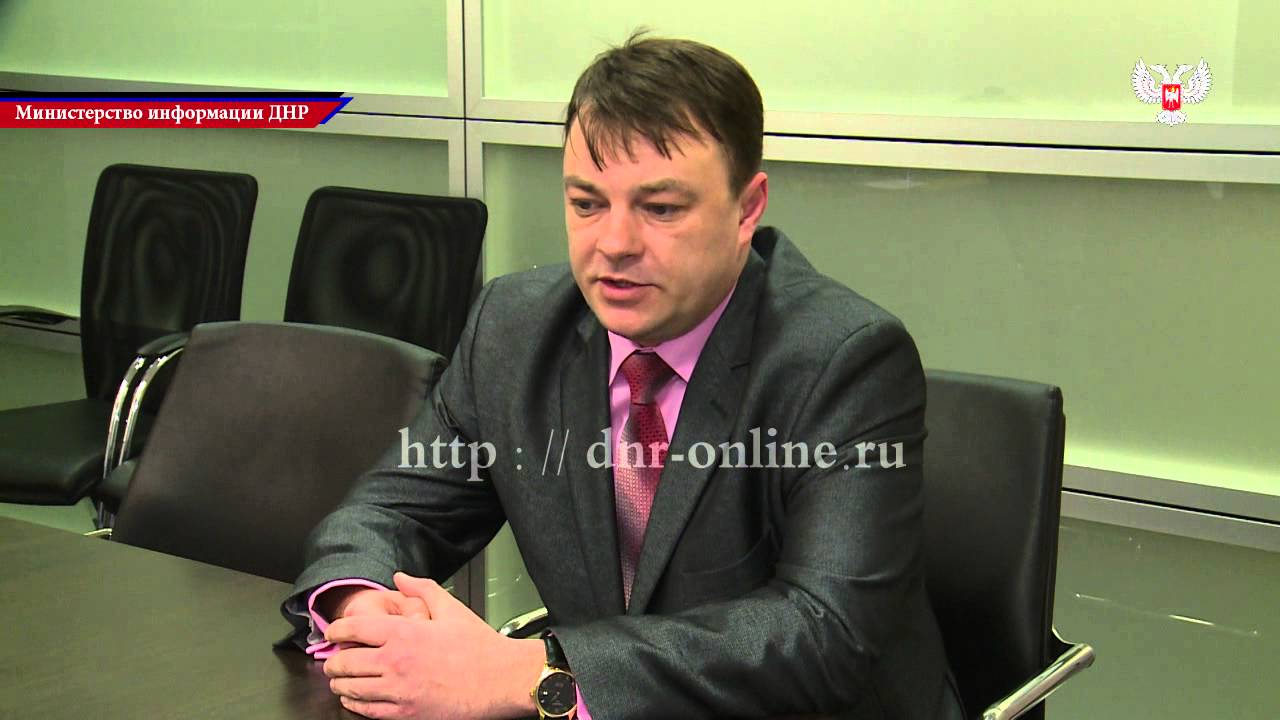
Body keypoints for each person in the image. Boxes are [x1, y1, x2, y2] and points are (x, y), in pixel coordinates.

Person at [282, 33, 964, 720]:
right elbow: (391, 511)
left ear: (747, 208)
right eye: (587, 203)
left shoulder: (844, 360)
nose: (613, 244)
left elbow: (825, 634)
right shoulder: (513, 330)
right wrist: (366, 609)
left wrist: (528, 671)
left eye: (660, 208)